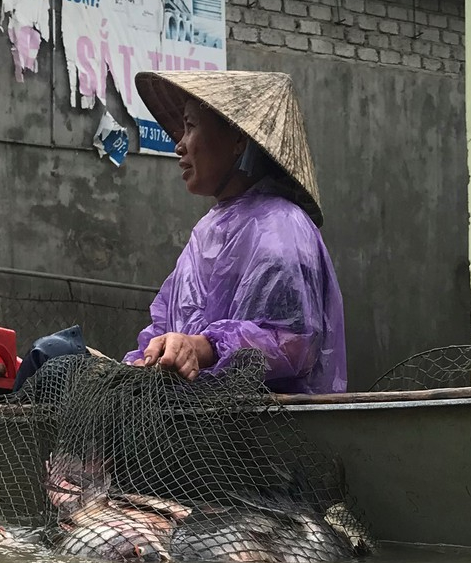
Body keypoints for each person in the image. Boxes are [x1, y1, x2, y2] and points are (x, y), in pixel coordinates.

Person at [125, 70, 347, 395]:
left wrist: (203, 348)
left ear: (238, 140)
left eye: (190, 126)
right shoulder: (208, 230)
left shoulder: (281, 227)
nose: (179, 146)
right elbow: (169, 323)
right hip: (203, 431)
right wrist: (151, 358)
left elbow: (296, 345)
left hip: (266, 436)